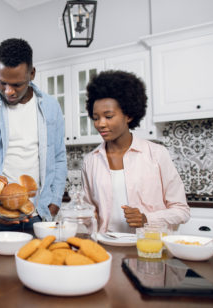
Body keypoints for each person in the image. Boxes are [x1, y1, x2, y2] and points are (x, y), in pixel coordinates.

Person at [0, 38, 67, 232]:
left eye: (17, 85)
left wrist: (55, 202)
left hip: (41, 214)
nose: (9, 91)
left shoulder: (51, 107)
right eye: (2, 83)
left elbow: (59, 158)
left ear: (32, 73)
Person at [81, 70, 190, 233]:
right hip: (108, 249)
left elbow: (181, 210)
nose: (100, 124)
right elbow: (88, 212)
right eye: (96, 118)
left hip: (149, 248)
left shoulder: (157, 154)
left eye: (108, 116)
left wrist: (147, 219)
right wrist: (81, 216)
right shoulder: (90, 161)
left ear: (129, 115)